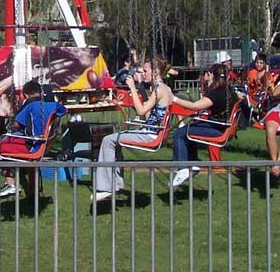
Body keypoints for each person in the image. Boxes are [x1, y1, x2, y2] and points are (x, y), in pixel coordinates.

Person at [93, 58, 174, 201]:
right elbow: (150, 115)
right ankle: (115, 183)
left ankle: (106, 187)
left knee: (107, 140)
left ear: (155, 72)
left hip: (150, 135)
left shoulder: (159, 90)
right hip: (152, 130)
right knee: (115, 141)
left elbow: (141, 111)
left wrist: (132, 88)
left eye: (146, 71)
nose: (143, 73)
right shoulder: (165, 88)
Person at [0, 80, 67, 204]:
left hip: (32, 145)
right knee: (24, 156)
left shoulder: (30, 105)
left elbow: (17, 125)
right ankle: (31, 194)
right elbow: (63, 110)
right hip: (44, 144)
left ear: (25, 95)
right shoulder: (53, 105)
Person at [169, 63, 238, 187]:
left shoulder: (217, 92)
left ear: (212, 75)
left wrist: (174, 99)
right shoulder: (227, 90)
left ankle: (182, 168)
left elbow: (196, 106)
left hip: (218, 129)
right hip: (221, 125)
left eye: (209, 74)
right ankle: (193, 163)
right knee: (191, 127)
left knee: (179, 133)